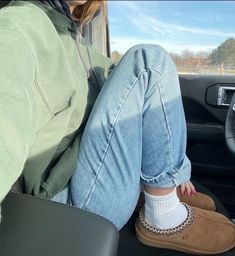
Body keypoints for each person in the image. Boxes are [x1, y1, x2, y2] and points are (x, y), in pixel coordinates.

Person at [0, 0, 234, 254]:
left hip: (89, 172)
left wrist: (170, 170)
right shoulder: (17, 30)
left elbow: (130, 91)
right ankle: (163, 215)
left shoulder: (70, 34)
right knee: (148, 62)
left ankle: (159, 194)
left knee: (145, 70)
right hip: (70, 202)